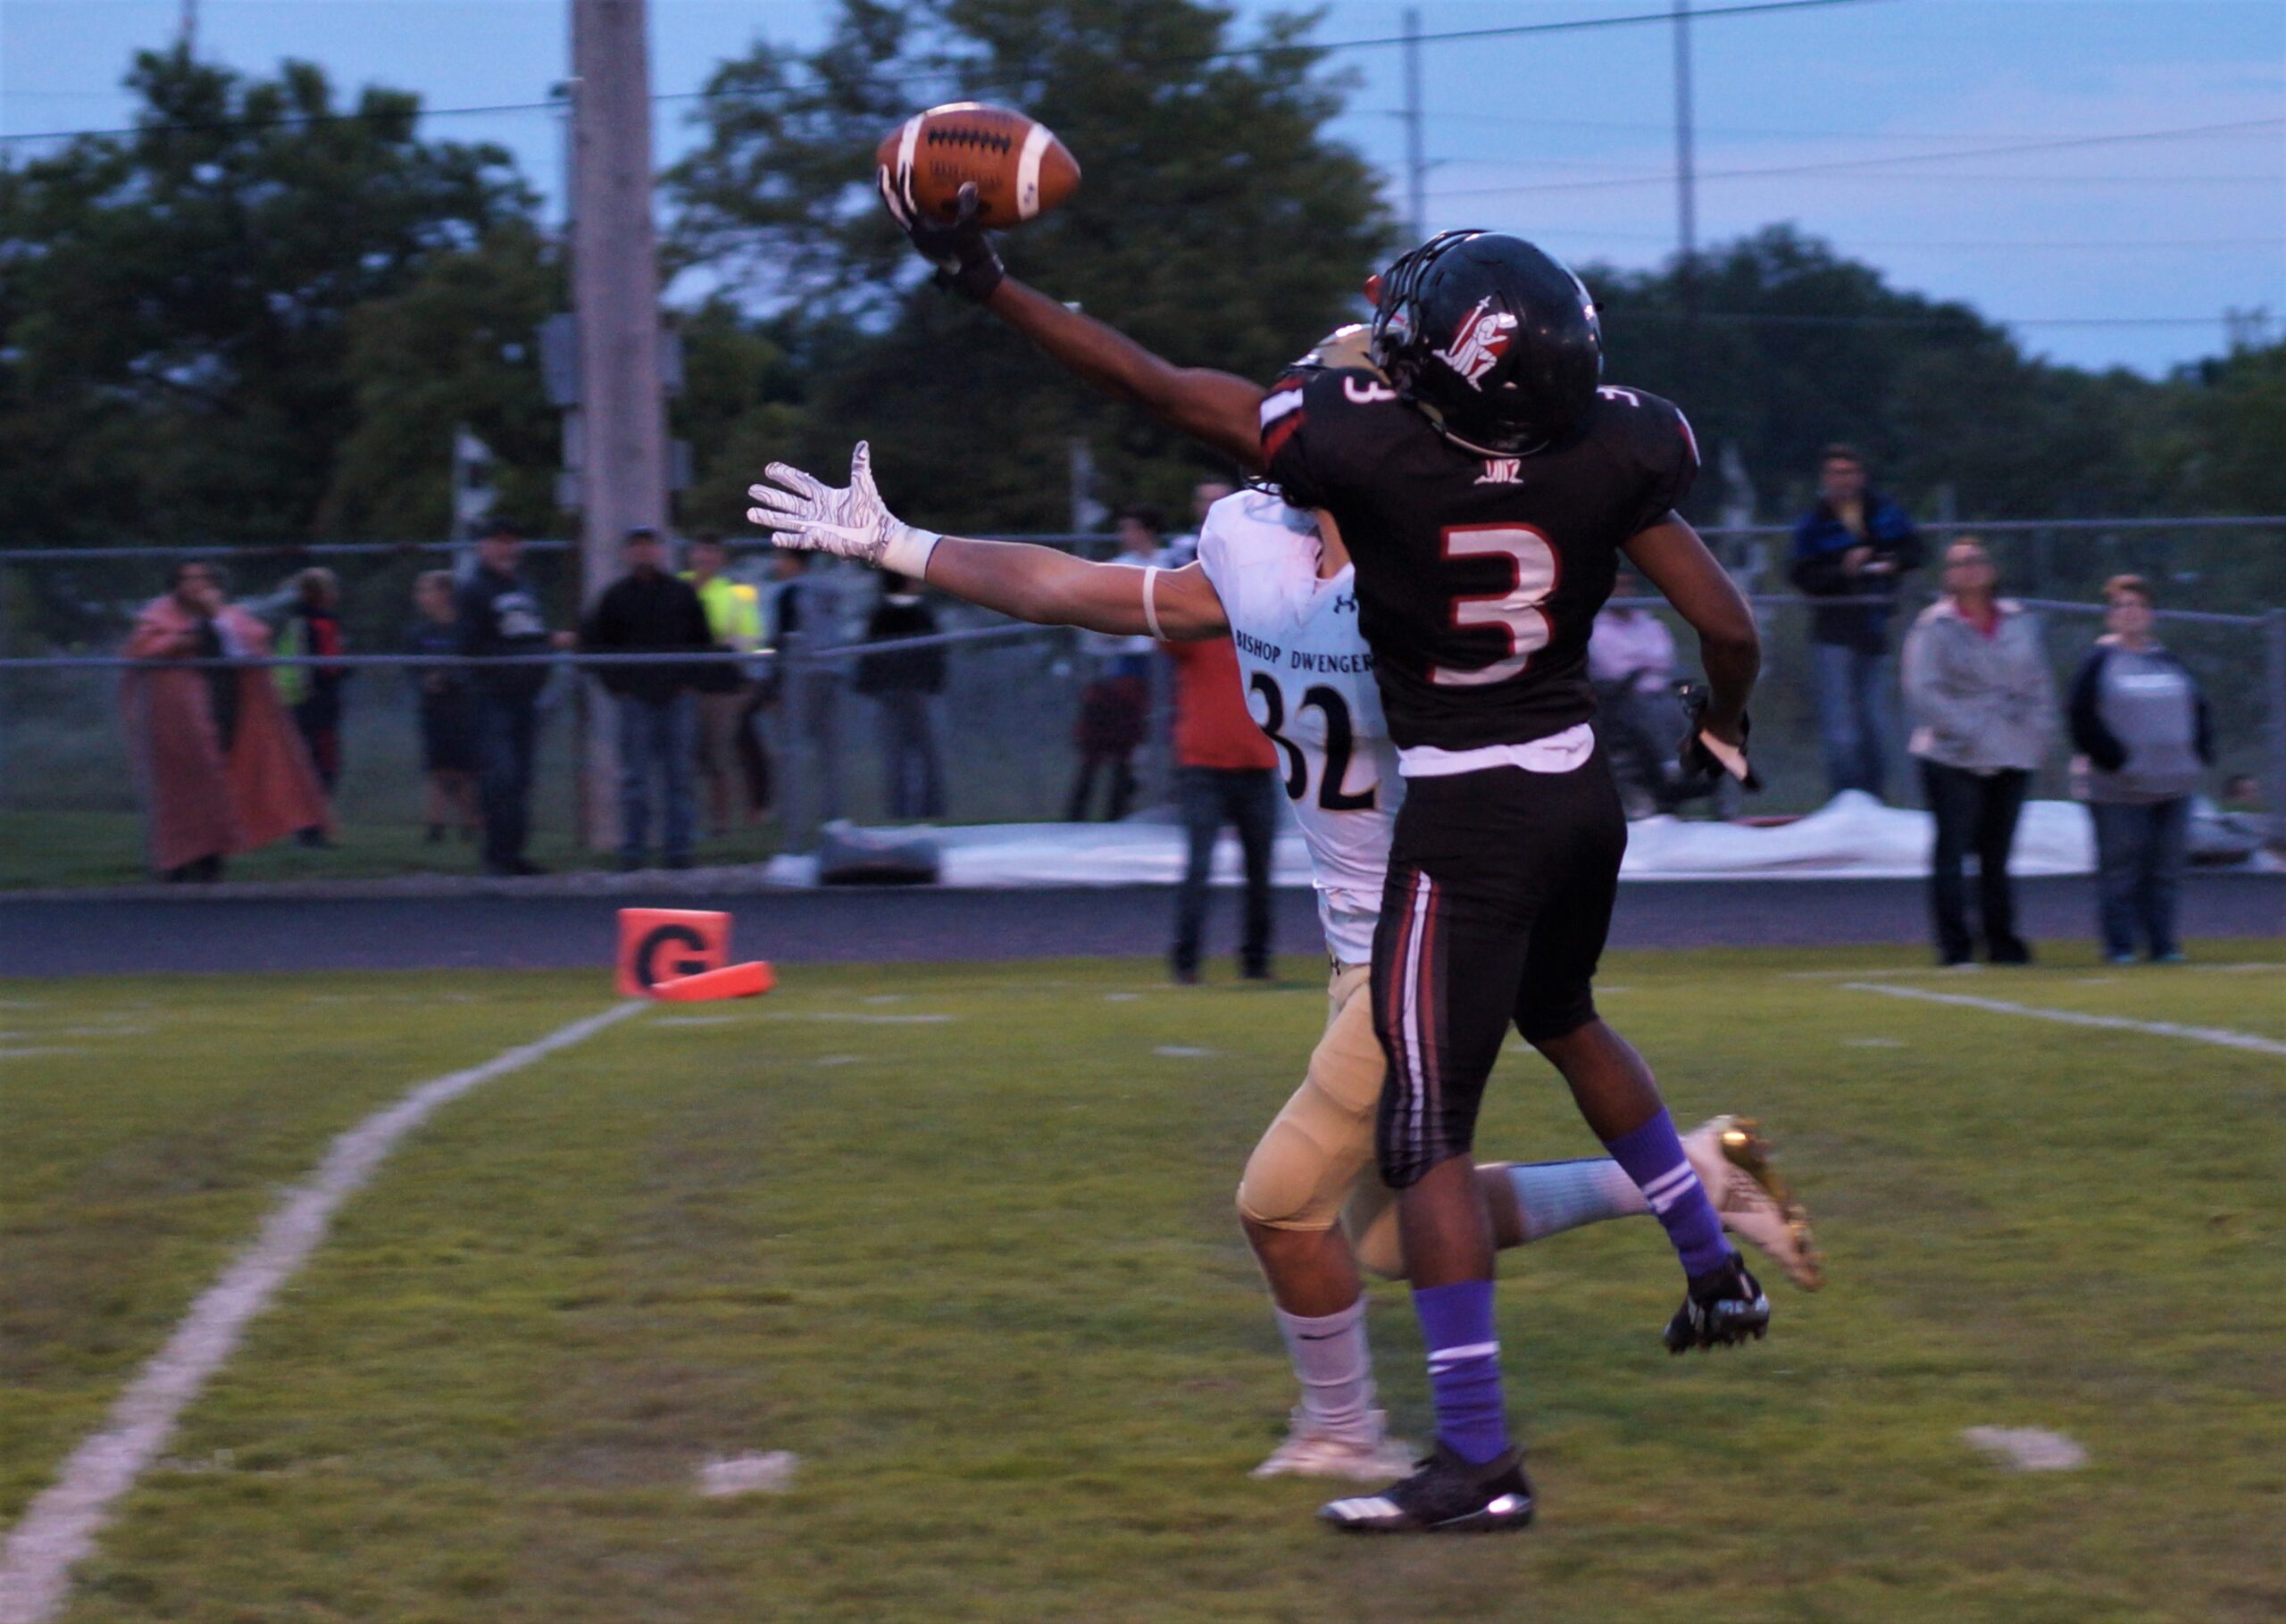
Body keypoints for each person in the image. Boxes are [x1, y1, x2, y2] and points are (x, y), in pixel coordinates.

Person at [790, 197, 1806, 1515]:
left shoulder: (1264, 554)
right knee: (1395, 1219)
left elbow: (1107, 515)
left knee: (1285, 1202)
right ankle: (1682, 1188)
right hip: (1509, 843)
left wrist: (916, 513)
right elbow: (1089, 571)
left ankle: (1358, 1432)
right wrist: (903, 542)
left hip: (1426, 908)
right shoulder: (1434, 502)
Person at [121, 561, 330, 881]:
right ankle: (176, 859)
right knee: (177, 789)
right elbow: (144, 649)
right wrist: (184, 640)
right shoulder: (158, 615)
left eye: (202, 578)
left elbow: (246, 646)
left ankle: (209, 856)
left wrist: (215, 619)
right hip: (172, 723)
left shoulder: (229, 615)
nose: (195, 584)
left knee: (217, 783)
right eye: (187, 578)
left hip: (221, 710)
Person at [1902, 538, 2055, 966]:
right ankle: (1955, 946)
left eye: (1975, 561)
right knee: (1952, 853)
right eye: (1958, 564)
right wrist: (1970, 730)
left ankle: (2002, 941)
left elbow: (2039, 683)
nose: (1968, 570)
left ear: (1991, 569)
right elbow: (1923, 690)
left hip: (2013, 749)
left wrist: (2038, 733)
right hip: (1952, 753)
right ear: (1948, 575)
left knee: (1997, 855)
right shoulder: (1934, 626)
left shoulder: (2019, 621)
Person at [2068, 574, 2213, 964]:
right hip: (2119, 788)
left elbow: (2198, 709)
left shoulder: (2167, 660)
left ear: (2150, 614)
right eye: (2120, 605)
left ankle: (2163, 944)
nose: (2130, 612)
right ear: (2110, 616)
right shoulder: (2099, 660)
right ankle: (2120, 946)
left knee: (2166, 871)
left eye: (2137, 605)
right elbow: (2080, 717)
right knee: (2121, 871)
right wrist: (2116, 761)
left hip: (2174, 784)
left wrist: (2198, 752)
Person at [1789, 445, 1923, 802]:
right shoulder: (1814, 522)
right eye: (1835, 473)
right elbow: (1801, 574)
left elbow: (1915, 551)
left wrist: (1886, 560)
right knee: (1841, 729)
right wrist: (1841, 570)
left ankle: (1875, 800)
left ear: (1860, 476)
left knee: (1876, 724)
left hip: (1875, 629)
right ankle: (1847, 802)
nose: (1842, 480)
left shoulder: (1884, 512)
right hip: (1832, 630)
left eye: (1848, 472)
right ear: (1825, 479)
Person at [579, 527, 715, 871]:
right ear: (627, 554)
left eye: (649, 547)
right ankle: (634, 851)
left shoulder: (681, 594)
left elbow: (703, 642)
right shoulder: (615, 597)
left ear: (660, 552)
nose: (644, 553)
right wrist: (618, 686)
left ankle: (678, 849)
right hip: (636, 700)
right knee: (635, 779)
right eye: (637, 547)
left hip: (677, 697)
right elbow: (593, 647)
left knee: (679, 777)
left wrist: (690, 681)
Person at [1164, 631, 1281, 983]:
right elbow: (1165, 628)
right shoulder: (1197, 633)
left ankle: (1256, 963)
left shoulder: (1264, 639)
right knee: (1199, 867)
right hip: (1204, 769)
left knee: (1260, 872)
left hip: (1257, 768)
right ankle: (1186, 963)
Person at [456, 520, 568, 878]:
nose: (507, 549)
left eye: (512, 542)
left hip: (526, 697)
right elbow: (470, 645)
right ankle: (496, 854)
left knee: (521, 777)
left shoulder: (523, 585)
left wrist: (547, 644)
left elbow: (530, 630)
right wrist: (511, 660)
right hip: (493, 698)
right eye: (499, 542)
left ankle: (514, 853)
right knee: (500, 775)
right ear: (484, 547)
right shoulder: (474, 590)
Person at [1064, 506, 1161, 820]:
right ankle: (1083, 814)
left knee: (1136, 748)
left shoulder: (1167, 565)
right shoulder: (1120, 569)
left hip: (1159, 663)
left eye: (1131, 529)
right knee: (1109, 740)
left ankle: (1122, 808)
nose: (1125, 537)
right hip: (1126, 666)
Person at [684, 533, 767, 836]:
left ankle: (722, 823)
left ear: (721, 559)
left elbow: (751, 638)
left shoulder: (737, 592)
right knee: (688, 756)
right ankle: (689, 821)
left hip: (723, 686)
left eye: (712, 552)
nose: (705, 558)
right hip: (686, 684)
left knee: (720, 756)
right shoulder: (680, 586)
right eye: (701, 551)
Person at [1588, 570, 1686, 817]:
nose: (1624, 593)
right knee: (1647, 709)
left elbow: (1664, 657)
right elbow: (1613, 667)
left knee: (1685, 709)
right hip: (1622, 697)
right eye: (1618, 588)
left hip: (1660, 690)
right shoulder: (1599, 630)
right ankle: (1669, 763)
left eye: (1628, 587)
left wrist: (1641, 664)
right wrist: (1643, 665)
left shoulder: (1650, 624)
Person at [852, 571, 947, 819]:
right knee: (905, 759)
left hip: (909, 693)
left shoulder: (900, 614)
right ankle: (907, 813)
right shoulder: (893, 614)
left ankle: (924, 812)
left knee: (918, 758)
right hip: (901, 694)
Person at [272, 566, 348, 847]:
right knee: (324, 767)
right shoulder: (323, 622)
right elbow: (330, 666)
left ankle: (306, 826)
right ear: (322, 594)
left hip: (295, 702)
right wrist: (346, 667)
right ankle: (311, 829)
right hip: (318, 704)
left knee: (308, 765)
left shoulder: (293, 620)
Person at [404, 570, 480, 845]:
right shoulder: (419, 634)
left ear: (445, 594)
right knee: (438, 768)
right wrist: (427, 681)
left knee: (464, 770)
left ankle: (471, 823)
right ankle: (435, 826)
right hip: (433, 709)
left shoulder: (465, 630)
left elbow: (474, 668)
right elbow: (411, 671)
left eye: (427, 590)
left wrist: (454, 678)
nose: (421, 597)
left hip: (462, 709)